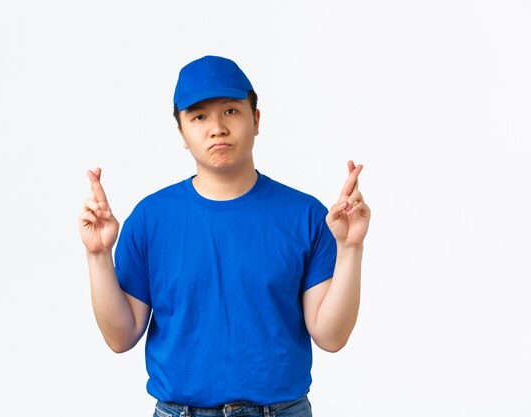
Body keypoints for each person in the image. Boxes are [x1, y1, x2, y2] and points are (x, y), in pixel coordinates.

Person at [78, 55, 371, 417]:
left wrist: (350, 246)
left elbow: (331, 336)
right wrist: (97, 256)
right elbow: (120, 337)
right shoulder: (151, 218)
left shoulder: (305, 216)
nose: (216, 127)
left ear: (256, 120)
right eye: (198, 116)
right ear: (182, 134)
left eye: (231, 111)